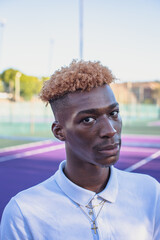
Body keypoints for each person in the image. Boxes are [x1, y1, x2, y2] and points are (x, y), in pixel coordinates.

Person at [1, 60, 160, 240]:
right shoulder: (24, 213)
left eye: (113, 113)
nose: (110, 130)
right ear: (59, 131)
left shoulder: (150, 192)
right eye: (88, 120)